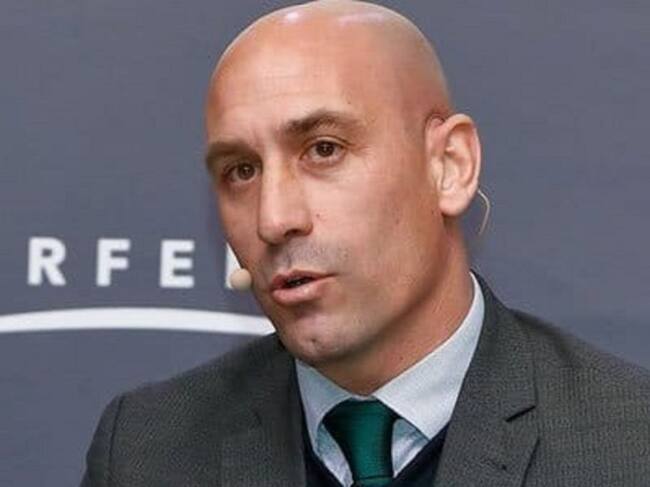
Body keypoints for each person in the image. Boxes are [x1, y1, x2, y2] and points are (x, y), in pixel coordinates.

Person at [81, 1, 650, 486]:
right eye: (241, 170)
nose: (274, 219)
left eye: (324, 149)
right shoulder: (147, 453)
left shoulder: (629, 445)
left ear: (450, 166)